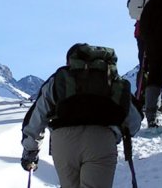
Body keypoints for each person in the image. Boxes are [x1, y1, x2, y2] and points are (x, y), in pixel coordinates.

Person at [20, 43, 143, 188]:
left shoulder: (59, 79)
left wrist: (30, 151)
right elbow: (134, 121)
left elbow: (37, 115)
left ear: (70, 61)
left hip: (63, 142)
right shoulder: (113, 80)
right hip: (101, 140)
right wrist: (116, 133)